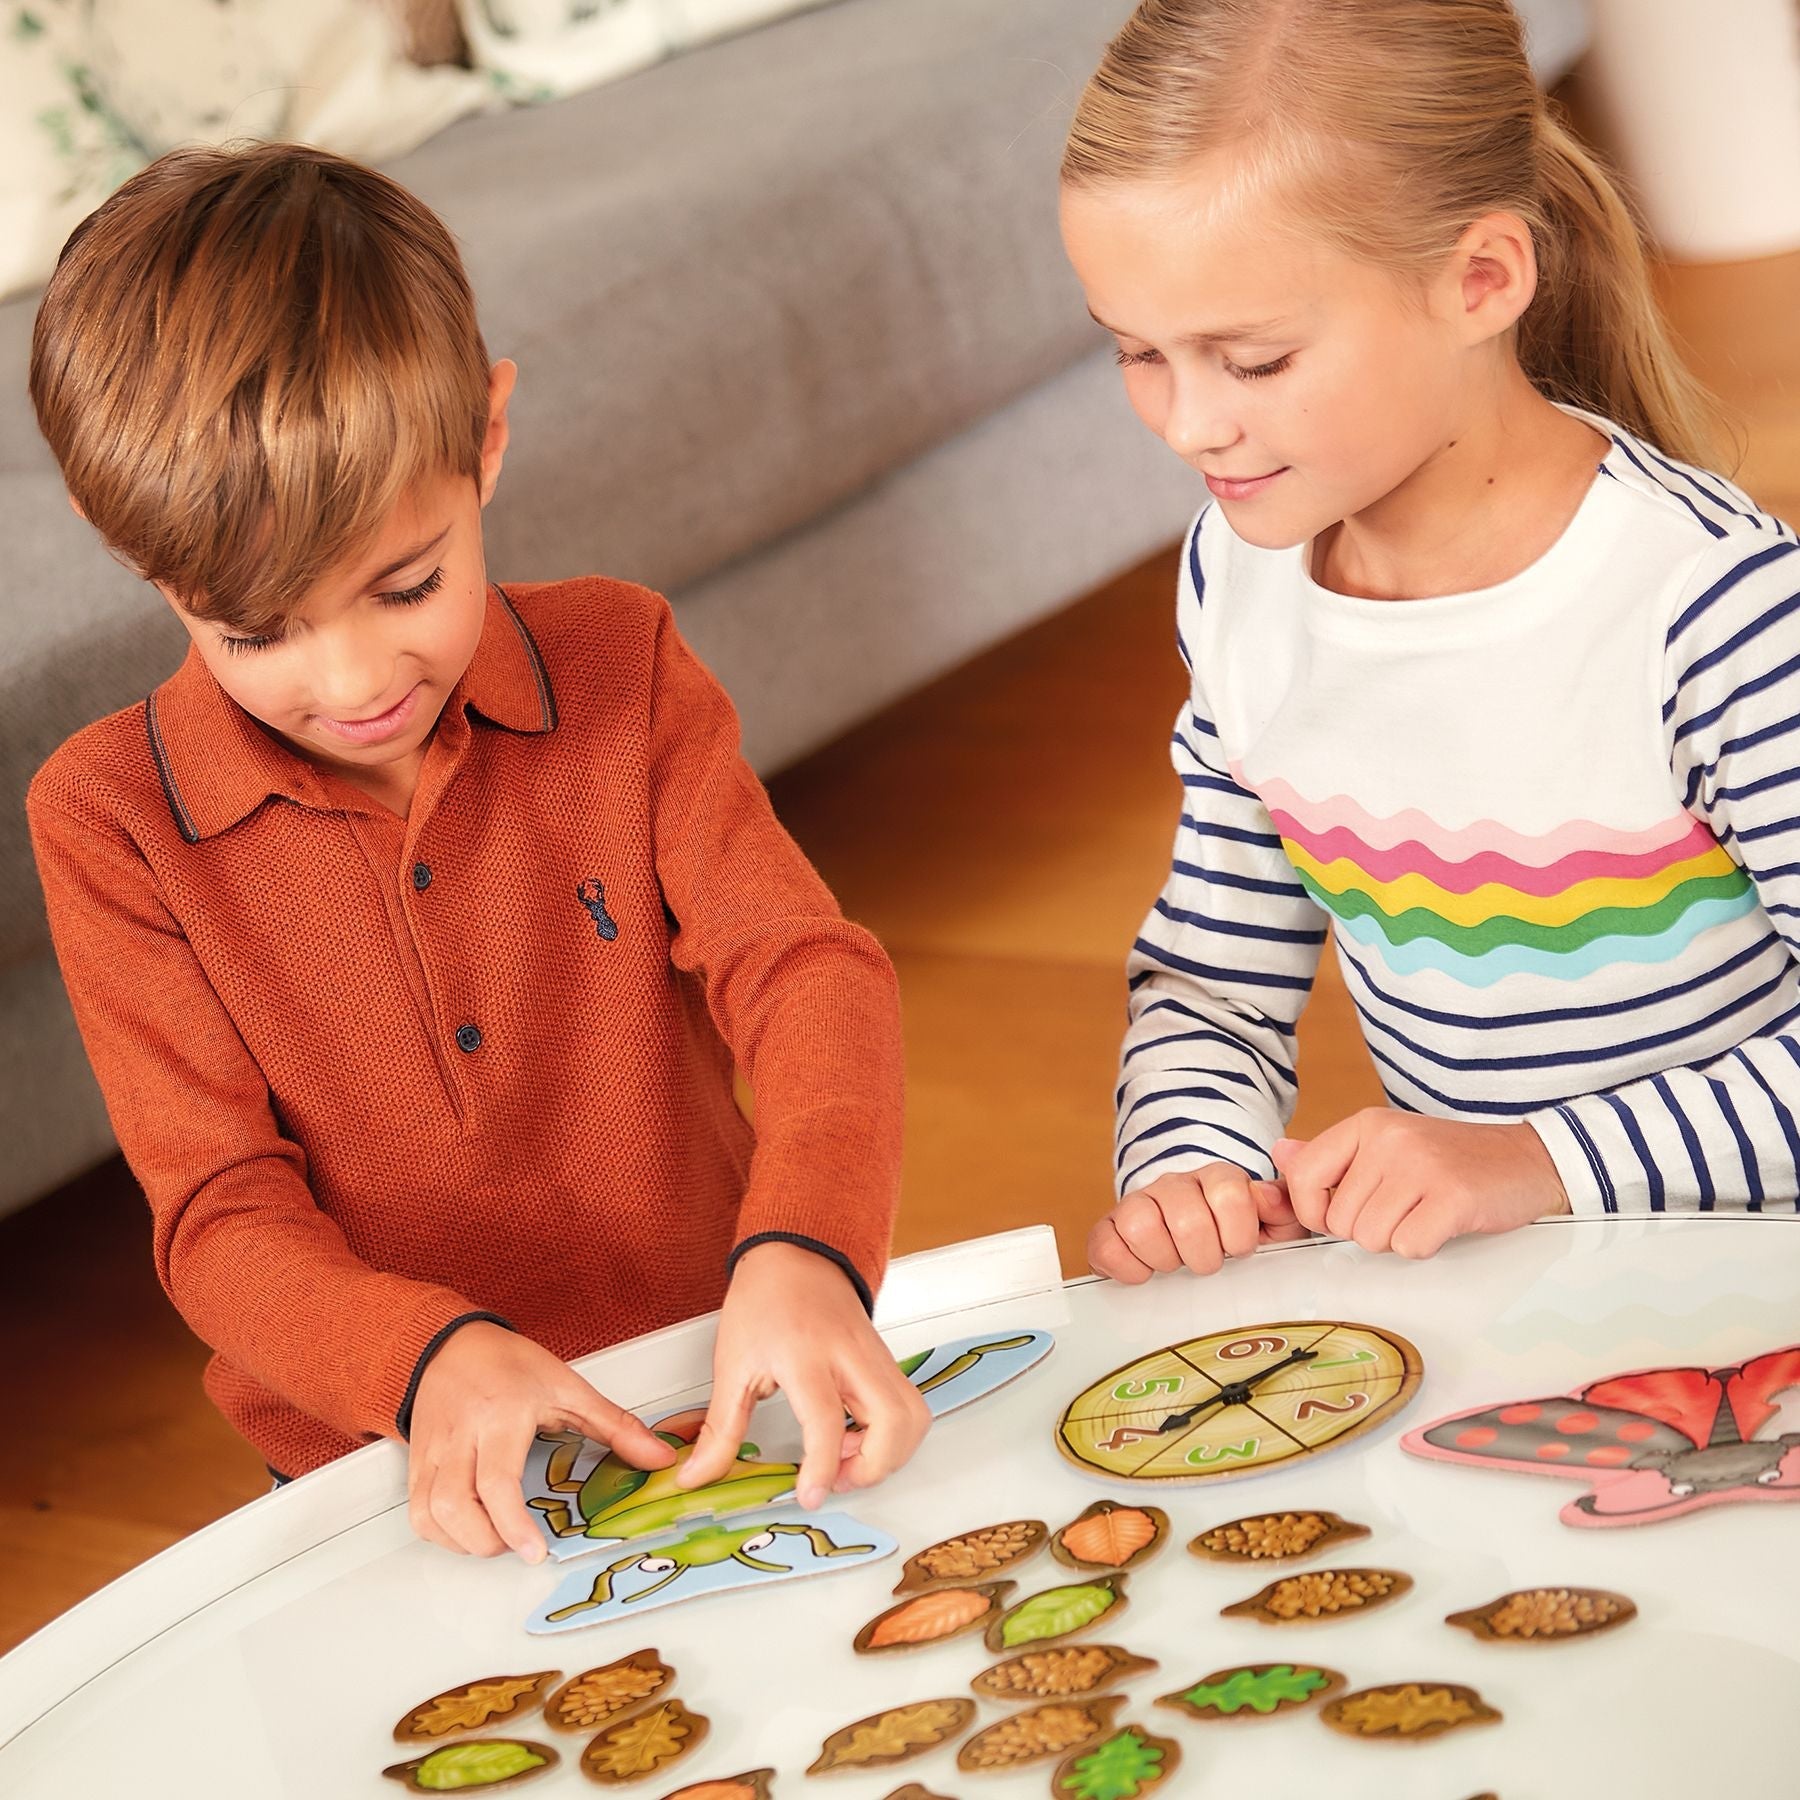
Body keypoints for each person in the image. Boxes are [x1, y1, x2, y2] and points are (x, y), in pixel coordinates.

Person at [25, 143, 929, 1557]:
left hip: (715, 1376)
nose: (352, 681)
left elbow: (803, 970)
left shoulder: (622, 662)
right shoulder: (107, 819)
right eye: (256, 632)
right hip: (384, 1464)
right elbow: (218, 1212)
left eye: (406, 587)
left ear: (489, 436)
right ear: (124, 545)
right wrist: (427, 1360)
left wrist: (808, 1243)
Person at [1064, 0, 1800, 1284]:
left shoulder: (1714, 612)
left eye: (1254, 360)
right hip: (1504, 1289)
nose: (1189, 425)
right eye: (1138, 353)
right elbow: (1215, 975)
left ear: (1481, 280)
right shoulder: (1237, 573)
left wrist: (1535, 1159)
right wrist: (1189, 1161)